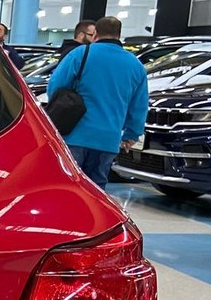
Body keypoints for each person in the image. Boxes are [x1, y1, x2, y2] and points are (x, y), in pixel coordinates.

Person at [45, 15, 148, 190]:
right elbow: (139, 106)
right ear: (119, 35)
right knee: (97, 188)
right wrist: (131, 134)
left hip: (75, 134)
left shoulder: (80, 54)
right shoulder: (135, 65)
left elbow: (55, 87)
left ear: (95, 34)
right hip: (108, 139)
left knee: (68, 185)